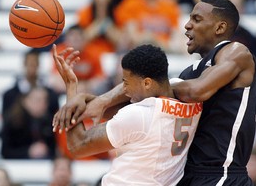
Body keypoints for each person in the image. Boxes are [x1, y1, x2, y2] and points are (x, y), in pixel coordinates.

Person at [53, 0, 256, 185]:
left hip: (222, 174)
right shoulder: (191, 73)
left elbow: (195, 91)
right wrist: (97, 100)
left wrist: (160, 87)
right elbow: (145, 86)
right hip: (188, 175)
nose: (187, 25)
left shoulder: (236, 52)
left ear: (220, 27)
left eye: (196, 19)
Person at [52, 44, 203, 185]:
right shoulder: (190, 99)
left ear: (147, 83)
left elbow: (78, 146)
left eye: (126, 82)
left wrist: (71, 88)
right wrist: (90, 99)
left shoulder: (139, 115)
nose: (124, 89)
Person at [1, 86, 56, 159]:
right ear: (25, 100)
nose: (42, 104)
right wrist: (28, 151)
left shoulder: (50, 121)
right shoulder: (13, 122)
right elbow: (5, 151)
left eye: (45, 100)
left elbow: (55, 149)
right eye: (38, 100)